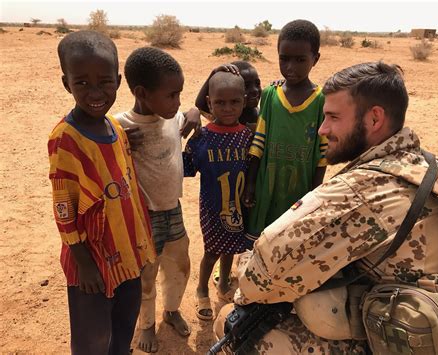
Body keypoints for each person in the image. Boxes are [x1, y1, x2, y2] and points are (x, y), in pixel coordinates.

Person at [214, 61, 438, 354]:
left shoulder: (360, 192)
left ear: (374, 119)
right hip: (424, 328)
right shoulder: (430, 167)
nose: (322, 129)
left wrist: (243, 265)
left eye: (332, 117)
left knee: (230, 323)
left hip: (385, 337)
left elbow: (257, 277)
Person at [48, 31, 155, 355]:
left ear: (118, 80)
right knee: (92, 338)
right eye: (82, 83)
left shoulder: (115, 128)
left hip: (127, 252)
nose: (95, 92)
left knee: (124, 325)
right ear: (67, 83)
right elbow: (64, 209)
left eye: (105, 82)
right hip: (92, 260)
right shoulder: (65, 140)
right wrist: (85, 265)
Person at [114, 46, 201, 353]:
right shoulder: (120, 126)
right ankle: (147, 325)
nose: (178, 102)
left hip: (173, 210)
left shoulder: (174, 116)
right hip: (143, 217)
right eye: (172, 95)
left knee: (180, 267)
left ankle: (172, 310)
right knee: (145, 275)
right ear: (141, 92)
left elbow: (191, 109)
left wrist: (194, 111)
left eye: (180, 95)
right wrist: (118, 143)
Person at [242, 19, 328, 243]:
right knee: (259, 240)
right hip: (266, 184)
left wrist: (314, 194)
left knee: (289, 241)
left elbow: (322, 153)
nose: (291, 67)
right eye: (284, 59)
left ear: (315, 59)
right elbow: (258, 143)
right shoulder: (270, 94)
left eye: (300, 60)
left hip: (300, 188)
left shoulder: (321, 100)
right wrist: (251, 184)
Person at [183, 71, 254, 321]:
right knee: (212, 251)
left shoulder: (247, 137)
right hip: (213, 208)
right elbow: (186, 168)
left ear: (243, 102)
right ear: (209, 103)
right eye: (220, 103)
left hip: (238, 206)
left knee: (232, 249)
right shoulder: (203, 137)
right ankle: (202, 288)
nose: (227, 108)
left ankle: (224, 283)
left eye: (234, 102)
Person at [195, 61, 262, 131]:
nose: (255, 90)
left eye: (257, 84)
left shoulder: (258, 115)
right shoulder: (227, 113)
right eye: (246, 86)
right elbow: (200, 105)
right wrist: (214, 73)